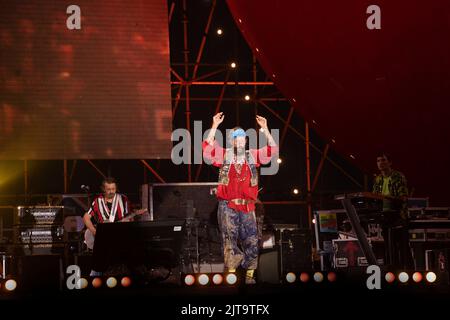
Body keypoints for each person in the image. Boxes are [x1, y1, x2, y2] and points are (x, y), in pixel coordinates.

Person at [202, 112, 278, 284]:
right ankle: (231, 276)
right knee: (229, 239)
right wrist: (214, 126)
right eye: (237, 138)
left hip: (248, 207)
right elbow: (207, 151)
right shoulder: (224, 155)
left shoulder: (252, 155)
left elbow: (272, 151)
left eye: (243, 137)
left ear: (246, 140)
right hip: (228, 206)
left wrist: (265, 129)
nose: (240, 140)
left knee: (252, 240)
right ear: (232, 141)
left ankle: (250, 276)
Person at [372, 153, 413, 269]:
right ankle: (392, 270)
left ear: (390, 162)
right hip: (384, 217)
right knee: (389, 246)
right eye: (378, 161)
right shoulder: (378, 179)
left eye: (383, 160)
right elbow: (374, 197)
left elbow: (403, 197)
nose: (380, 163)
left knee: (403, 246)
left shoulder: (398, 176)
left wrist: (387, 197)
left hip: (398, 216)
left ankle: (408, 271)